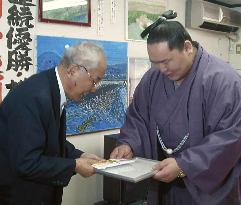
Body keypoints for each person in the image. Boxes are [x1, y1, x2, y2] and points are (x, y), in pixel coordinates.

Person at [110, 10, 241, 205]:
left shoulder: (223, 80)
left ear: (187, 47)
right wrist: (128, 144)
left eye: (166, 61)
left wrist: (184, 165)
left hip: (206, 186)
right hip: (165, 180)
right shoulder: (153, 79)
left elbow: (231, 135)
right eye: (155, 63)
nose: (162, 69)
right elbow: (138, 116)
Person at [0, 42, 106, 205]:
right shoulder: (33, 97)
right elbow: (26, 162)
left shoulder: (51, 87)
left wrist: (79, 155)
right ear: (73, 71)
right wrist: (74, 165)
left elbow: (47, 139)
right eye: (94, 81)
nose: (93, 89)